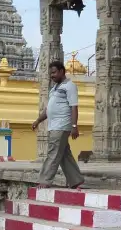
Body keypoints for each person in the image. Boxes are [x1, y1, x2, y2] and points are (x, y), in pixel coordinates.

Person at [32, 61, 85, 189]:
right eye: (51, 73)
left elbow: (74, 107)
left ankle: (45, 180)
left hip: (62, 125)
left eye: (54, 72)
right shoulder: (54, 88)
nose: (52, 75)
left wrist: (74, 126)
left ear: (62, 71)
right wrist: (38, 120)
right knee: (63, 155)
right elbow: (48, 109)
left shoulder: (70, 86)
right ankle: (76, 180)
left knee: (53, 153)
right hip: (53, 125)